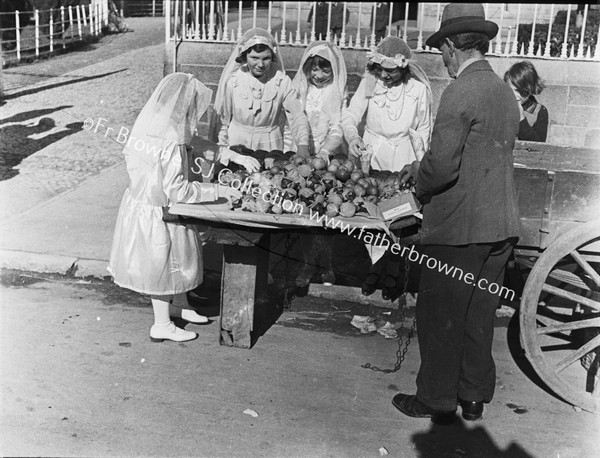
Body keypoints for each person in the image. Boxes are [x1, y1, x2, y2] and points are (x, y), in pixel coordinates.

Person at [393, 3, 521, 422]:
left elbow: (442, 167)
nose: (443, 61)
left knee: (440, 316)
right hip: (499, 228)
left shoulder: (461, 90)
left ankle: (435, 398)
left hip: (459, 230)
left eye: (442, 52)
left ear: (451, 46)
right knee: (477, 318)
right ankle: (472, 397)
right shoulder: (504, 91)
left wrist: (416, 174)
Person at [108, 73, 242, 343]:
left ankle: (180, 304)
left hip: (146, 205)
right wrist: (218, 191)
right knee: (163, 263)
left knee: (176, 262)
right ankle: (161, 324)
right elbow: (178, 190)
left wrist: (227, 153)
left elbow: (195, 144)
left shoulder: (155, 124)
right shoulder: (169, 140)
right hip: (160, 211)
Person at [341, 36, 431, 299]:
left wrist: (418, 163)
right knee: (371, 210)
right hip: (372, 154)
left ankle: (394, 265)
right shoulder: (370, 84)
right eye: (380, 68)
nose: (384, 75)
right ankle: (374, 264)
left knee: (398, 215)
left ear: (403, 68)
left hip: (402, 157)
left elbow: (423, 130)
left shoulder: (418, 90)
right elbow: (350, 115)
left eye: (390, 70)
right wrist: (354, 137)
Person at [290, 41, 348, 287]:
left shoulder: (335, 92)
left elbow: (337, 126)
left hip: (326, 157)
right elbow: (292, 119)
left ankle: (327, 265)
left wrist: (325, 151)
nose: (319, 75)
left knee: (325, 215)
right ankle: (305, 264)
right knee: (302, 212)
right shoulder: (300, 88)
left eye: (325, 70)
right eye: (314, 69)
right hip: (301, 153)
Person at [214, 27, 310, 159]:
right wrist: (223, 148)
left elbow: (297, 115)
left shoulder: (282, 82)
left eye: (266, 58)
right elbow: (224, 121)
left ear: (273, 57)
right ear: (244, 56)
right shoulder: (233, 81)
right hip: (238, 142)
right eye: (254, 58)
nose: (260, 64)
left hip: (270, 144)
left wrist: (303, 144)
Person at [504, 61, 549, 142]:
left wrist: (521, 119)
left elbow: (538, 145)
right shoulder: (500, 106)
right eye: (511, 90)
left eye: (522, 92)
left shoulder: (539, 111)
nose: (516, 95)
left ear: (531, 90)